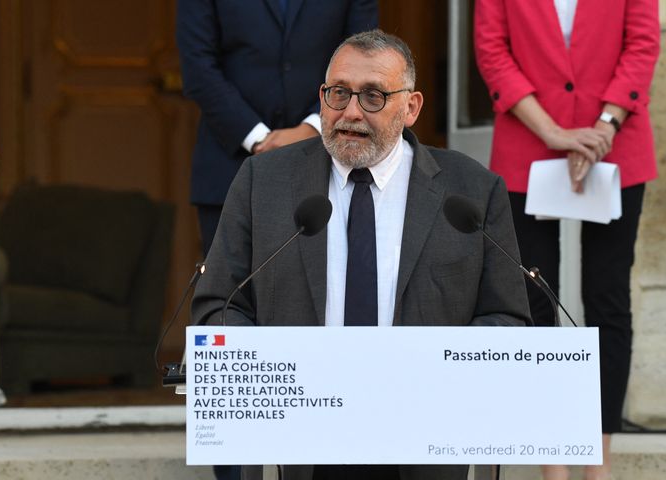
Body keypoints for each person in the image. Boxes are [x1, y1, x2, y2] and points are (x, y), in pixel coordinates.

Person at [192, 29, 531, 480]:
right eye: (338, 94)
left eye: (373, 96)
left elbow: (507, 319)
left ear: (411, 108)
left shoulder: (471, 190)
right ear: (322, 97)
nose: (350, 112)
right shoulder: (263, 182)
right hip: (307, 442)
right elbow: (218, 306)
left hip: (424, 444)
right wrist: (285, 371)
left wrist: (431, 369)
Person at [474, 1, 660, 479]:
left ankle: (597, 464)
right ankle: (552, 462)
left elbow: (642, 45)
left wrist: (602, 129)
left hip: (615, 146)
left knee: (608, 301)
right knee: (534, 303)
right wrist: (555, 133)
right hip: (527, 145)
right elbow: (493, 52)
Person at [176, 0, 378, 257]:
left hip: (328, 163)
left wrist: (313, 126)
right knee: (229, 291)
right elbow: (197, 66)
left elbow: (365, 57)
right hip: (229, 167)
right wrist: (260, 140)